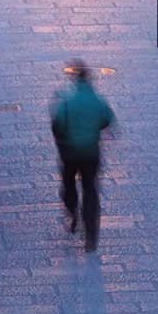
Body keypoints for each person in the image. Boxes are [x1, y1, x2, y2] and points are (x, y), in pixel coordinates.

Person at [49, 61, 115, 252]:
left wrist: (63, 139)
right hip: (91, 152)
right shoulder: (97, 100)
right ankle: (91, 235)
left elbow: (58, 123)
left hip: (69, 152)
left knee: (69, 184)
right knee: (90, 190)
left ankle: (73, 211)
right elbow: (107, 119)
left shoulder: (67, 100)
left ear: (75, 80)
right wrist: (92, 131)